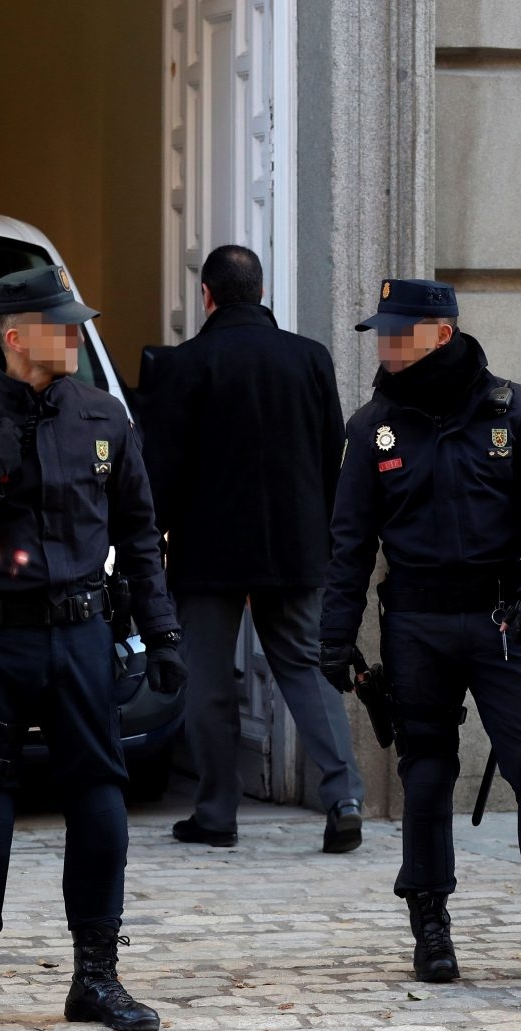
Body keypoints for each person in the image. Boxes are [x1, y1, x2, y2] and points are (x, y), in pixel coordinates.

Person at [0, 264, 184, 1031]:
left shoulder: (102, 418)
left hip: (84, 637)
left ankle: (96, 976)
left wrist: (161, 635)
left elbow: (138, 538)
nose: (74, 334)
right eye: (61, 323)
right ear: (16, 333)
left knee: (101, 807)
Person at [320, 278, 521, 994]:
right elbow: (349, 543)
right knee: (426, 779)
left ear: (441, 334)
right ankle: (431, 925)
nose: (384, 345)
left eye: (398, 332)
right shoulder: (370, 427)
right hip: (415, 626)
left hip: (503, 623)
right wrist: (335, 638)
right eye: (380, 332)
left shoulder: (518, 410)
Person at [137, 244, 365, 852]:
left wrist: (148, 543)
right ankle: (342, 795)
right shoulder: (311, 359)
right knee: (306, 671)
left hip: (208, 550)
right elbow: (328, 458)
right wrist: (324, 537)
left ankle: (216, 813)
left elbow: (161, 471)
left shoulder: (183, 365)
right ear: (260, 292)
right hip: (294, 545)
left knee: (209, 681)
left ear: (206, 295)